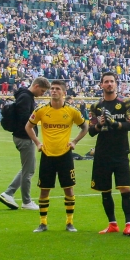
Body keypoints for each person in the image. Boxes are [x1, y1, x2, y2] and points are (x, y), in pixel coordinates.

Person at [27, 80, 89, 233]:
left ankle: (69, 222)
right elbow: (28, 126)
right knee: (44, 190)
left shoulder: (72, 111)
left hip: (65, 155)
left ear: (64, 93)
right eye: (52, 89)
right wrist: (37, 143)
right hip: (47, 155)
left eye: (57, 89)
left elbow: (85, 127)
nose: (53, 91)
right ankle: (43, 223)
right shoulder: (41, 110)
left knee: (68, 189)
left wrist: (74, 141)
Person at [89, 71, 130, 236]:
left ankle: (129, 224)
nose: (109, 84)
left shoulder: (125, 102)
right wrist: (99, 125)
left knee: (125, 188)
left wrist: (114, 123)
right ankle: (112, 224)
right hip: (102, 153)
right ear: (101, 85)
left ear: (116, 84)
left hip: (120, 152)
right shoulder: (96, 107)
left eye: (112, 81)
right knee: (105, 190)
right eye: (106, 82)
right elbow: (91, 130)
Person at [0, 76, 50, 211]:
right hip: (25, 137)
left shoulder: (23, 95)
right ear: (37, 86)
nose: (42, 94)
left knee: (27, 168)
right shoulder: (26, 98)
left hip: (21, 136)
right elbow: (25, 118)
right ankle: (25, 201)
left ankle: (9, 193)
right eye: (43, 91)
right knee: (29, 170)